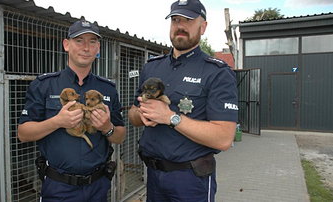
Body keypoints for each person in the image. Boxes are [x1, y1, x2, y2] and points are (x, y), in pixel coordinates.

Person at [128, 0, 238, 201]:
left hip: (190, 181)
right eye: (176, 20)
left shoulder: (217, 72)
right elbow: (133, 114)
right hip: (152, 177)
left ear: (202, 27)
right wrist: (142, 114)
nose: (180, 26)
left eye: (188, 21)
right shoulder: (152, 67)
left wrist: (170, 117)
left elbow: (224, 138)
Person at [18, 20, 126, 202]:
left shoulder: (108, 89)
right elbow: (23, 133)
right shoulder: (44, 85)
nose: (86, 47)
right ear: (66, 45)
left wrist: (107, 127)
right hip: (58, 187)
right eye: (79, 40)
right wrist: (57, 122)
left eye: (92, 42)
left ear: (98, 48)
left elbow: (120, 136)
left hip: (98, 187)